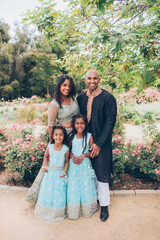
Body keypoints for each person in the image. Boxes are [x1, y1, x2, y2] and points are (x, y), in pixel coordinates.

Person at [77, 70, 117, 221]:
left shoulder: (108, 98)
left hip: (102, 143)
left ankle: (104, 206)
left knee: (102, 174)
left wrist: (99, 144)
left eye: (95, 78)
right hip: (84, 141)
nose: (92, 81)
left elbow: (109, 122)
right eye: (89, 78)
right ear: (85, 80)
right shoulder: (80, 98)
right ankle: (92, 200)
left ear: (99, 79)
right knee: (87, 173)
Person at [33, 126, 69, 222]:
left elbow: (66, 162)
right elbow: (46, 157)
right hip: (50, 173)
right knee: (48, 191)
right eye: (56, 134)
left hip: (60, 174)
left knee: (59, 192)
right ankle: (45, 209)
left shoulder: (66, 149)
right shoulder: (50, 147)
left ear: (63, 136)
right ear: (52, 136)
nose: (58, 137)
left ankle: (57, 211)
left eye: (61, 135)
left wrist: (65, 172)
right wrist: (45, 166)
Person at [67, 114, 98, 220]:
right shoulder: (71, 136)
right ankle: (74, 209)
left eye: (82, 123)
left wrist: (83, 155)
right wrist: (73, 157)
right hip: (73, 165)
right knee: (74, 186)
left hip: (84, 165)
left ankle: (86, 208)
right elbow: (69, 150)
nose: (80, 125)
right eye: (77, 123)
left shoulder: (89, 136)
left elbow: (92, 153)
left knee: (85, 185)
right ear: (74, 125)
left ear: (85, 124)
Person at [48, 74, 79, 140]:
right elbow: (51, 125)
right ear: (59, 86)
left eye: (69, 86)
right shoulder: (54, 104)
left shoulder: (73, 99)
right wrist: (52, 143)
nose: (67, 88)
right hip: (64, 136)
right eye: (64, 85)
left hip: (77, 134)